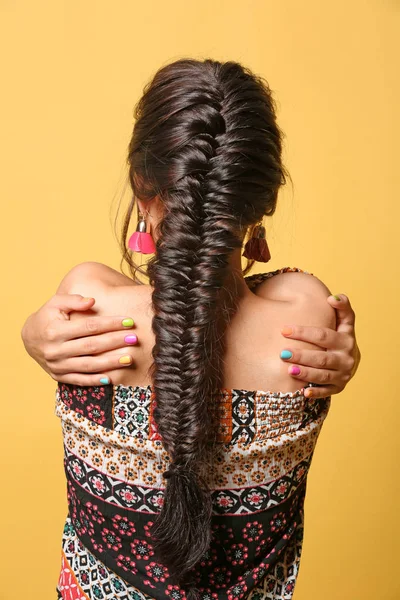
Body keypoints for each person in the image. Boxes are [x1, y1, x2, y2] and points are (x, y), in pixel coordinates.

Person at [21, 58, 360, 600]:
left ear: (141, 184)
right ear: (265, 199)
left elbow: (156, 298)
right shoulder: (307, 327)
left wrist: (27, 332)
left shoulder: (87, 312)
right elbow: (278, 292)